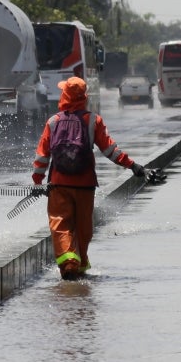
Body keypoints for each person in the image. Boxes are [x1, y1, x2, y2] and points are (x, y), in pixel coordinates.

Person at [32, 77, 150, 280]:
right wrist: (133, 165)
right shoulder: (93, 121)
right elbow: (110, 150)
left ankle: (69, 264)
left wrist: (37, 180)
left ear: (65, 95)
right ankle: (80, 262)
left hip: (59, 184)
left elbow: (42, 155)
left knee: (60, 225)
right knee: (83, 227)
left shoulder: (53, 122)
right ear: (84, 97)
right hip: (85, 184)